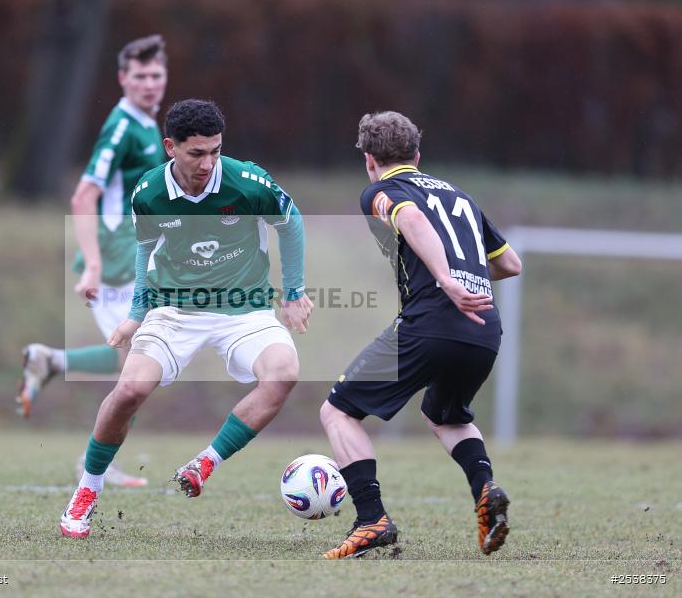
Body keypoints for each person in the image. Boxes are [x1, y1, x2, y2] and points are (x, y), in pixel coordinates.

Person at [59, 98, 314, 539]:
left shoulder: (249, 182)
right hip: (174, 308)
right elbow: (145, 252)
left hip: (244, 307)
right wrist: (137, 314)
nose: (208, 163)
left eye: (215, 151)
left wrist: (293, 292)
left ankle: (205, 463)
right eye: (197, 153)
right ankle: (87, 490)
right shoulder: (149, 193)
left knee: (284, 371)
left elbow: (291, 223)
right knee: (129, 391)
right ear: (170, 147)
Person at [320, 111, 523, 559]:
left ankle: (371, 519)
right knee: (446, 415)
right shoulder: (460, 196)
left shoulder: (380, 190)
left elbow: (409, 218)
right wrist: (465, 277)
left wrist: (447, 279)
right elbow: (510, 265)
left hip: (432, 319)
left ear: (369, 159)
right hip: (484, 327)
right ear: (417, 154)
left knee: (337, 412)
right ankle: (485, 490)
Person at [16, 35, 168, 488]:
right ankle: (92, 463)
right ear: (122, 78)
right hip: (117, 263)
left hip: (135, 257)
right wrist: (95, 266)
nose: (149, 83)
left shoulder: (144, 123)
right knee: (142, 366)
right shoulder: (122, 126)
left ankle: (51, 362)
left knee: (137, 365)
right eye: (139, 76)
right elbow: (84, 194)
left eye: (156, 75)